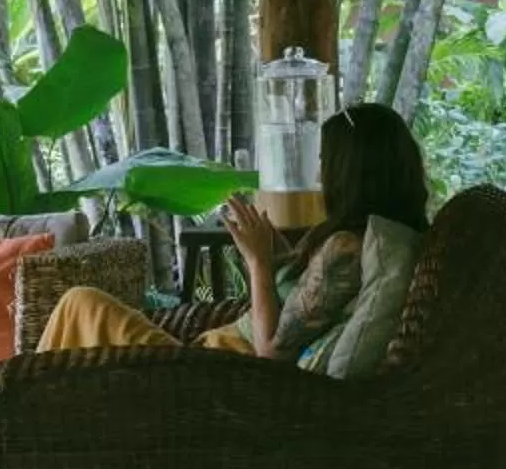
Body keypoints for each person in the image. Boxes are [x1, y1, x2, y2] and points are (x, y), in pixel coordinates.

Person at [35, 102, 432, 363]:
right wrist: (278, 257)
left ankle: (24, 417)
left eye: (325, 162)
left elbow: (269, 354)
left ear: (350, 172)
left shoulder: (346, 248)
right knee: (82, 315)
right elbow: (298, 313)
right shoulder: (368, 242)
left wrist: (258, 263)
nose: (319, 175)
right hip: (212, 356)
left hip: (218, 377)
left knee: (79, 302)